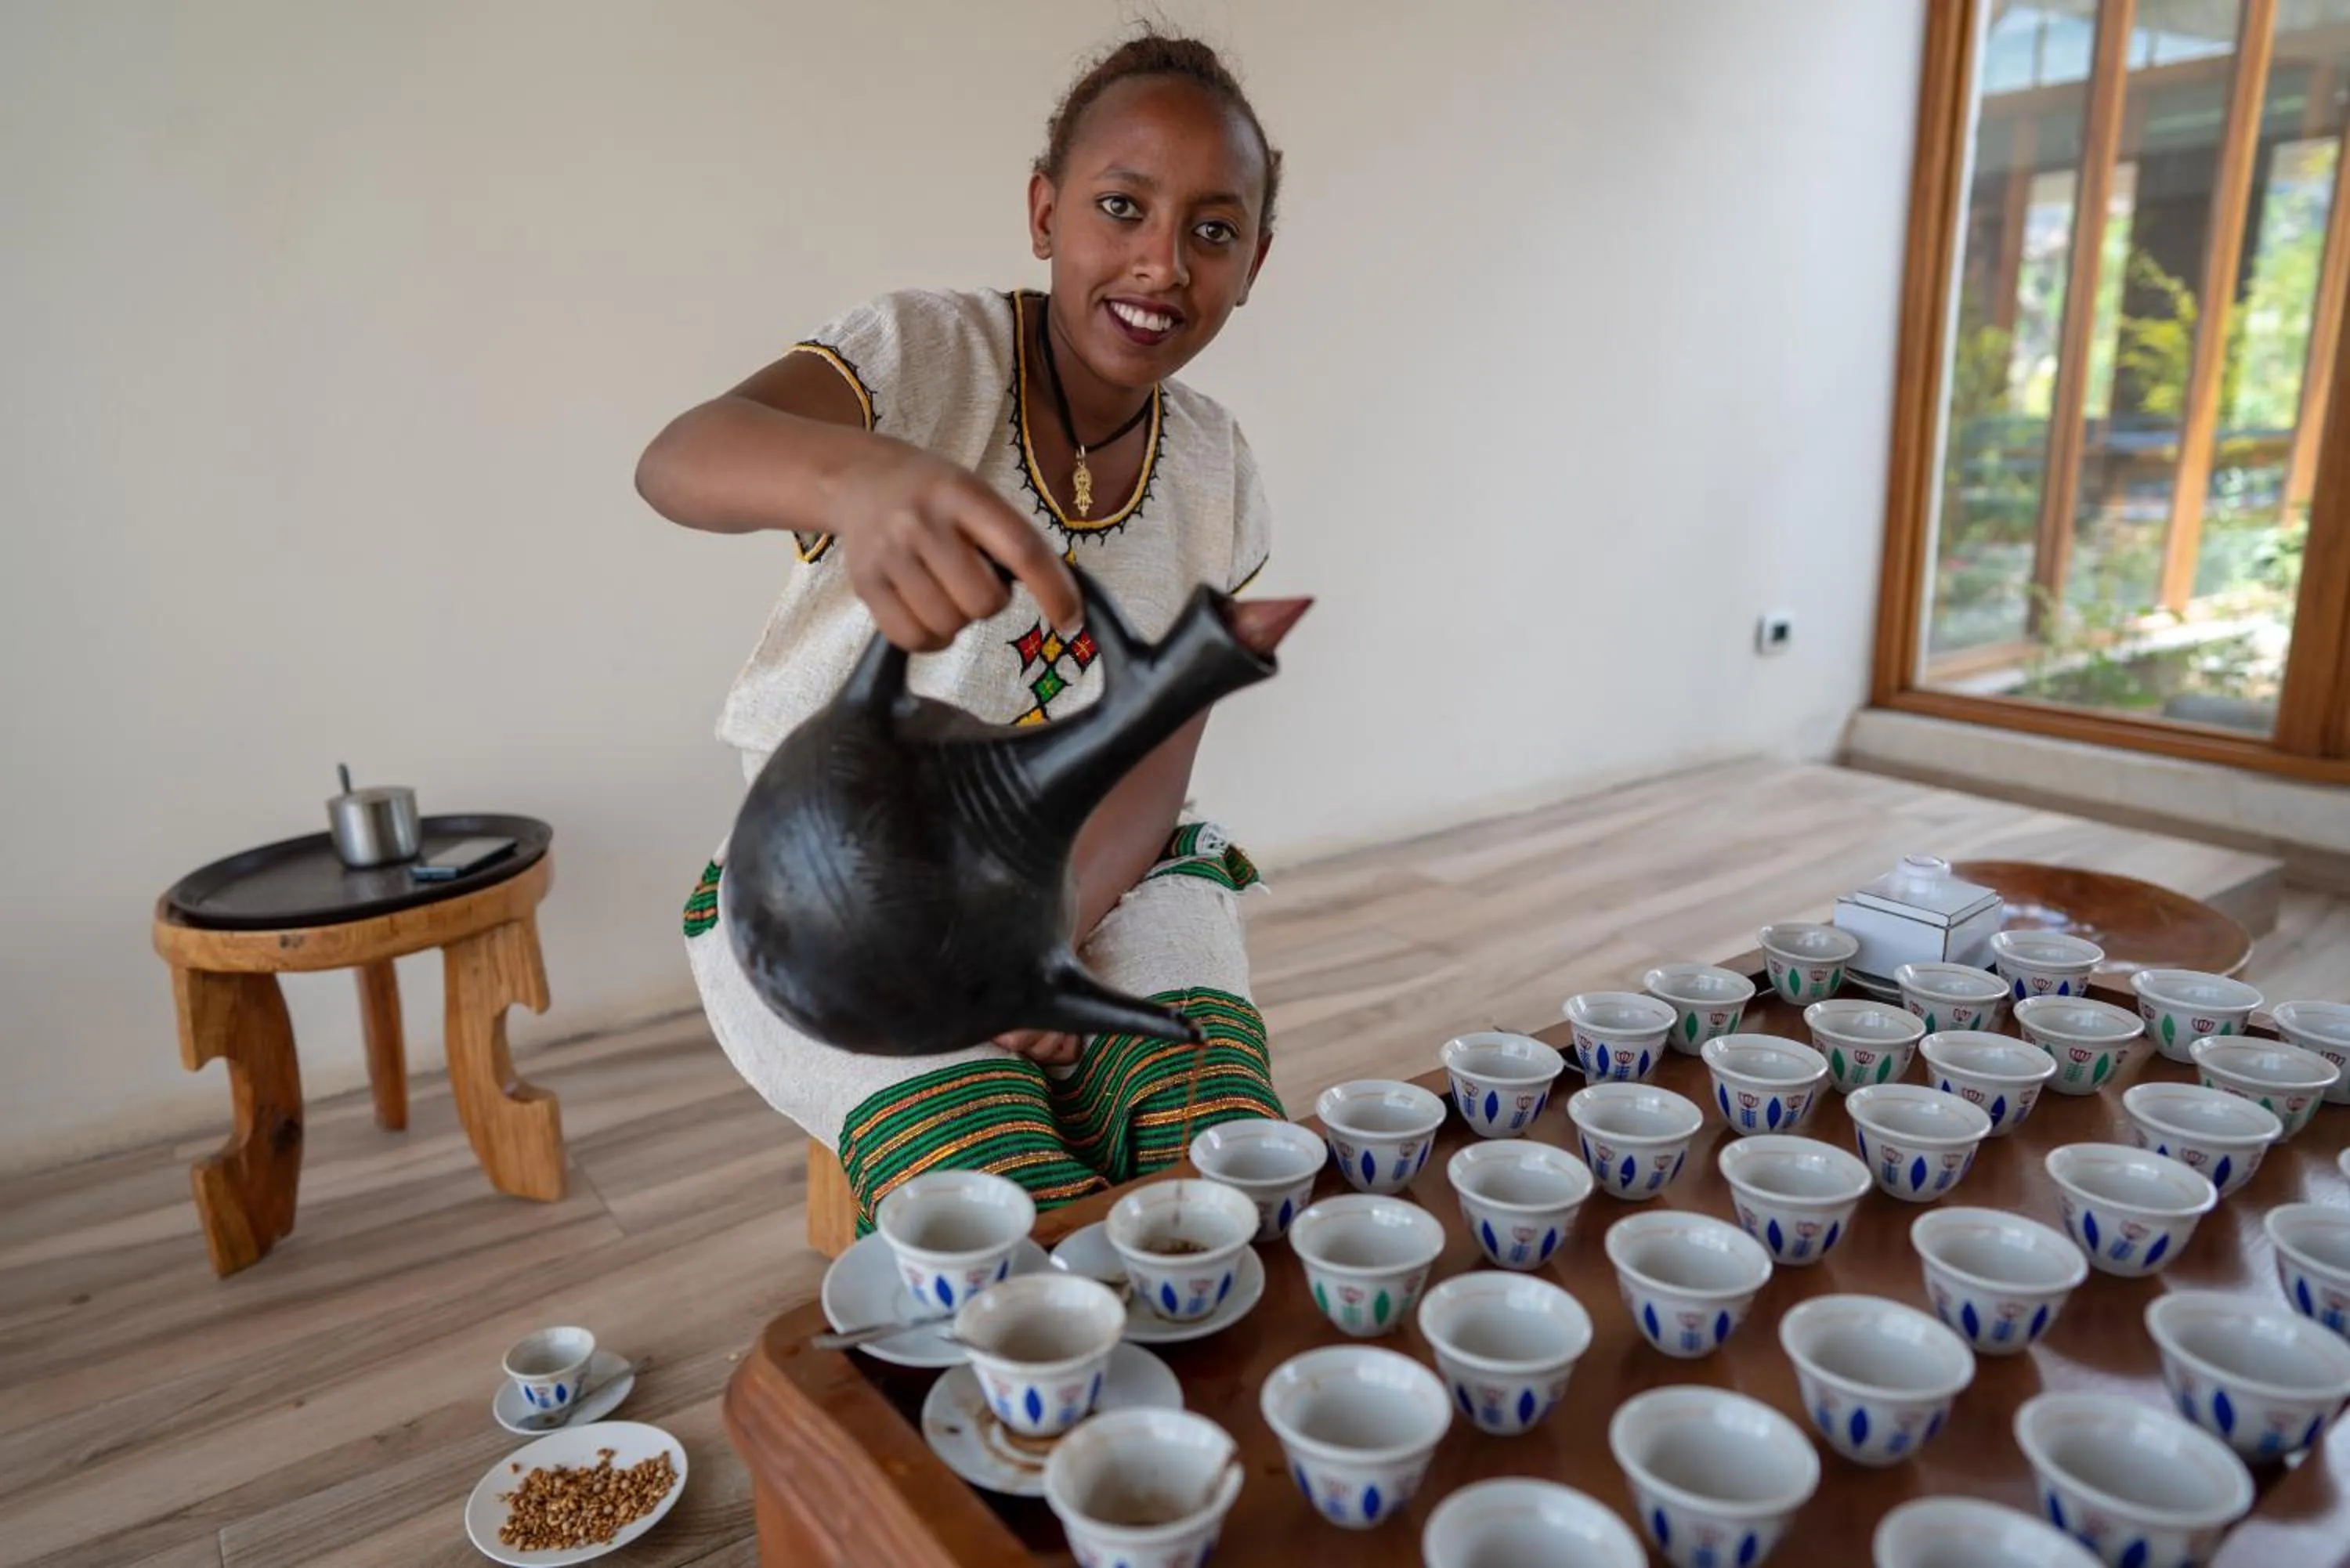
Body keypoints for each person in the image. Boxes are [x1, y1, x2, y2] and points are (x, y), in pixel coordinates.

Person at [636, 27, 1289, 1231]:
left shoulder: (1219, 470)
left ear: (1255, 260)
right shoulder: (926, 355)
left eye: (1212, 229)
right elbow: (676, 460)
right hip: (834, 895)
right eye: (1120, 207)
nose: (1161, 263)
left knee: (1220, 1150)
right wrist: (853, 481)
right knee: (997, 1182)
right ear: (1045, 213)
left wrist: (1050, 930)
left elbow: (1153, 768)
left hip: (1094, 868)